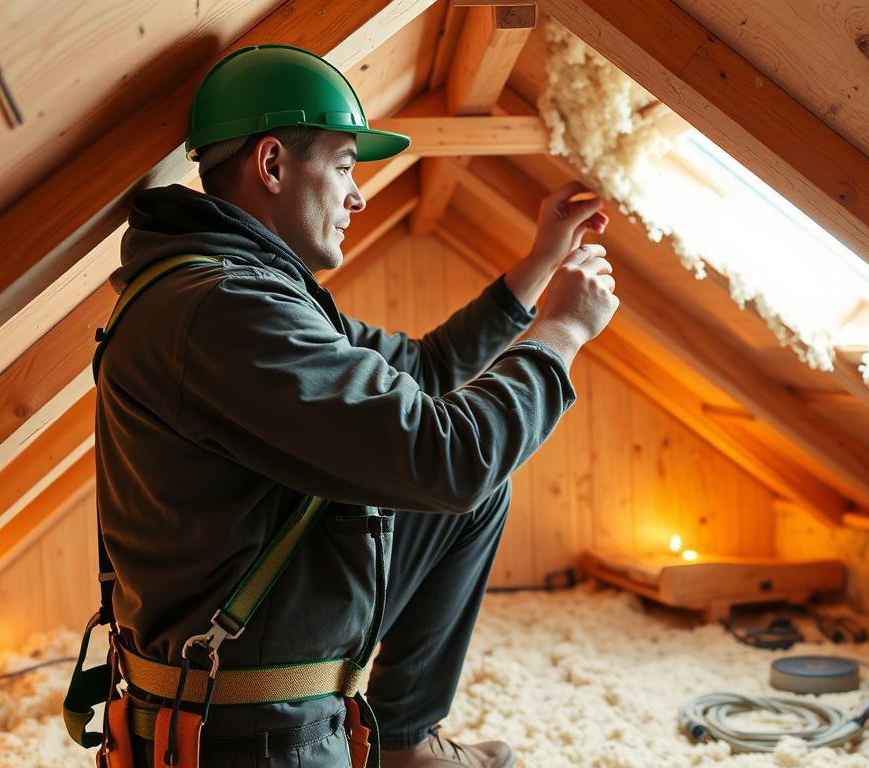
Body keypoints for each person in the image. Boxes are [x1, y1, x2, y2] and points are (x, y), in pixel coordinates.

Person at [93, 44, 617, 768]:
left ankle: (402, 740)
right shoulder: (226, 309)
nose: (359, 193)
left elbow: (427, 368)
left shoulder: (245, 288)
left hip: (253, 674)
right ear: (273, 164)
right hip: (248, 730)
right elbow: (448, 458)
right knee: (463, 479)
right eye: (343, 164)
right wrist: (563, 332)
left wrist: (541, 263)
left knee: (477, 498)